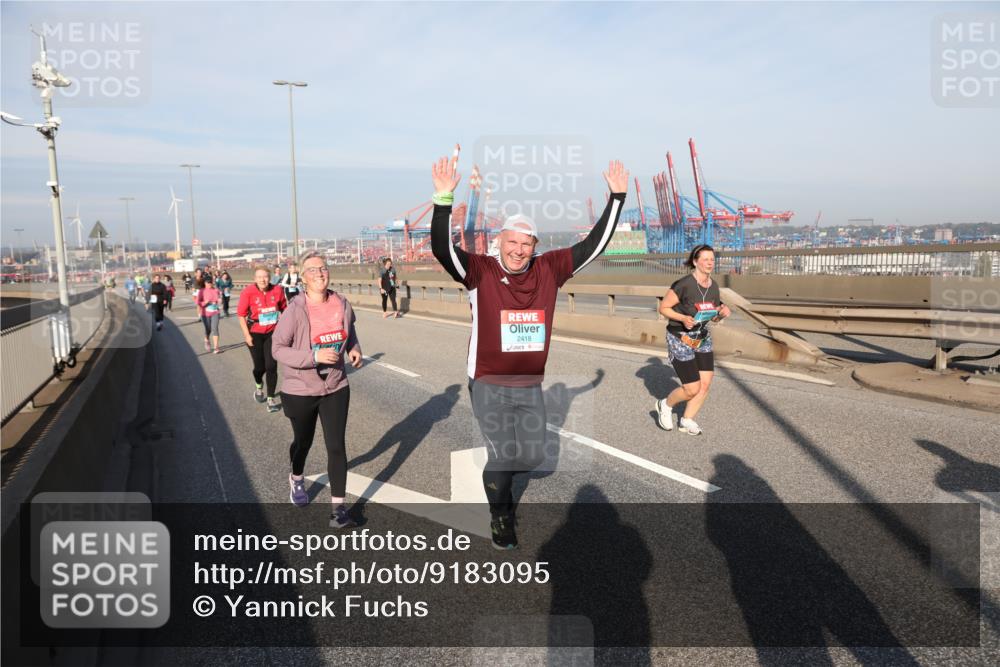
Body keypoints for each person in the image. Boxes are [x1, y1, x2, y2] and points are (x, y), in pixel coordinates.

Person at [430, 151, 629, 549]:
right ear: (499, 241)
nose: (518, 250)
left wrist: (617, 199)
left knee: (535, 459)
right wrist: (443, 201)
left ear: (534, 246)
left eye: (526, 244)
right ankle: (500, 515)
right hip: (487, 380)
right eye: (512, 242)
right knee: (504, 455)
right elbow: (442, 250)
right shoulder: (480, 271)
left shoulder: (548, 269)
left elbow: (593, 245)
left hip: (529, 384)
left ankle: (498, 477)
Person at [272, 250, 363, 528]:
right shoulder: (295, 310)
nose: (320, 273)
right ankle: (297, 477)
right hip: (300, 389)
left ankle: (339, 509)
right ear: (303, 278)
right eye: (312, 270)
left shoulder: (342, 303)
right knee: (303, 442)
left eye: (323, 268)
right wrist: (313, 357)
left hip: (336, 386)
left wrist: (354, 349)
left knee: (336, 445)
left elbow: (351, 332)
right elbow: (278, 349)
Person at [654, 244, 731, 436]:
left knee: (705, 384)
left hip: (702, 337)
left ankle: (687, 420)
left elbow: (711, 315)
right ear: (695, 262)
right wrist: (682, 318)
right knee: (691, 388)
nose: (709, 263)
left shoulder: (713, 286)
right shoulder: (684, 284)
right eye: (705, 259)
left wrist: (721, 314)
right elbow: (663, 308)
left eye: (712, 259)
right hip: (680, 338)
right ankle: (665, 404)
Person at [238, 266, 287, 413]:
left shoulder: (277, 290)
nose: (262, 280)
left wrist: (285, 330)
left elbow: (284, 309)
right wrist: (247, 335)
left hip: (273, 332)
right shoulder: (248, 292)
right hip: (255, 333)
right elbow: (241, 315)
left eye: (265, 276)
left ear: (270, 277)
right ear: (255, 279)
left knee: (271, 366)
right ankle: (259, 385)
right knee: (260, 367)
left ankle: (271, 398)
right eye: (259, 277)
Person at [195, 277, 223, 353]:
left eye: (210, 282)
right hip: (205, 314)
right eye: (208, 282)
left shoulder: (216, 290)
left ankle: (216, 347)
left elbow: (219, 300)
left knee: (215, 328)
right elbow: (197, 302)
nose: (209, 284)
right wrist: (205, 303)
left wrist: (220, 301)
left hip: (215, 312)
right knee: (208, 329)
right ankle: (206, 339)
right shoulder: (202, 291)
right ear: (204, 283)